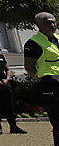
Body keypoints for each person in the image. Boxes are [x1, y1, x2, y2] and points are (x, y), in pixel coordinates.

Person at [23, 11, 59, 146]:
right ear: (39, 25)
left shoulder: (57, 39)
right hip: (50, 85)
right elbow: (29, 67)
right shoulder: (33, 43)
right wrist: (43, 79)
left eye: (54, 22)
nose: (53, 25)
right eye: (48, 22)